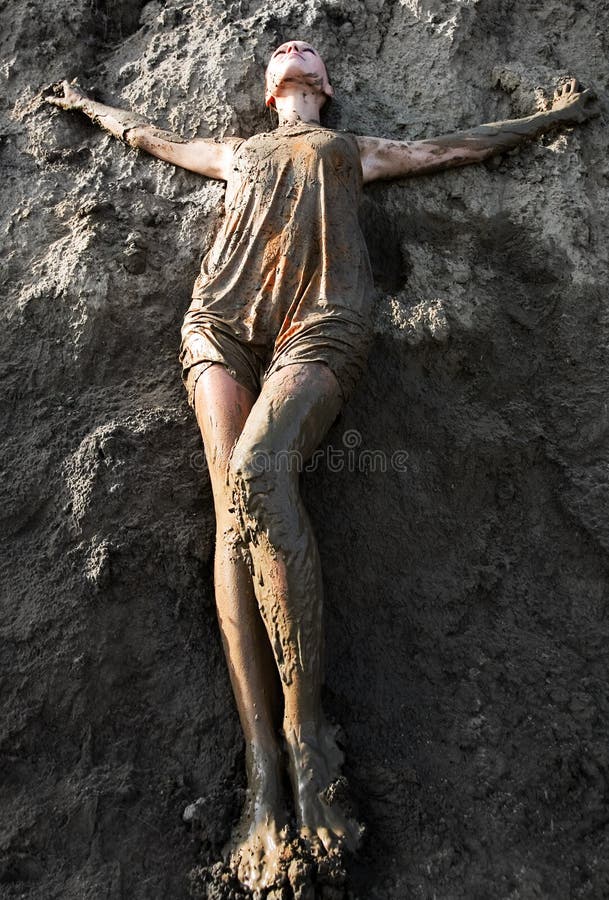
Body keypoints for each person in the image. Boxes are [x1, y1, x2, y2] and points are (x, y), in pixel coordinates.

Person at [46, 41, 598, 891]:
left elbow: (461, 142)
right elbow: (151, 137)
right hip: (218, 321)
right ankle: (260, 769)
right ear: (270, 92)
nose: (296, 53)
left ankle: (309, 744)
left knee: (261, 475)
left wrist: (551, 117)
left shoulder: (351, 150)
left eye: (309, 54)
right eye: (284, 55)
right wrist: (87, 105)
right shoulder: (237, 152)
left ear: (324, 88)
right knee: (234, 513)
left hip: (324, 319)